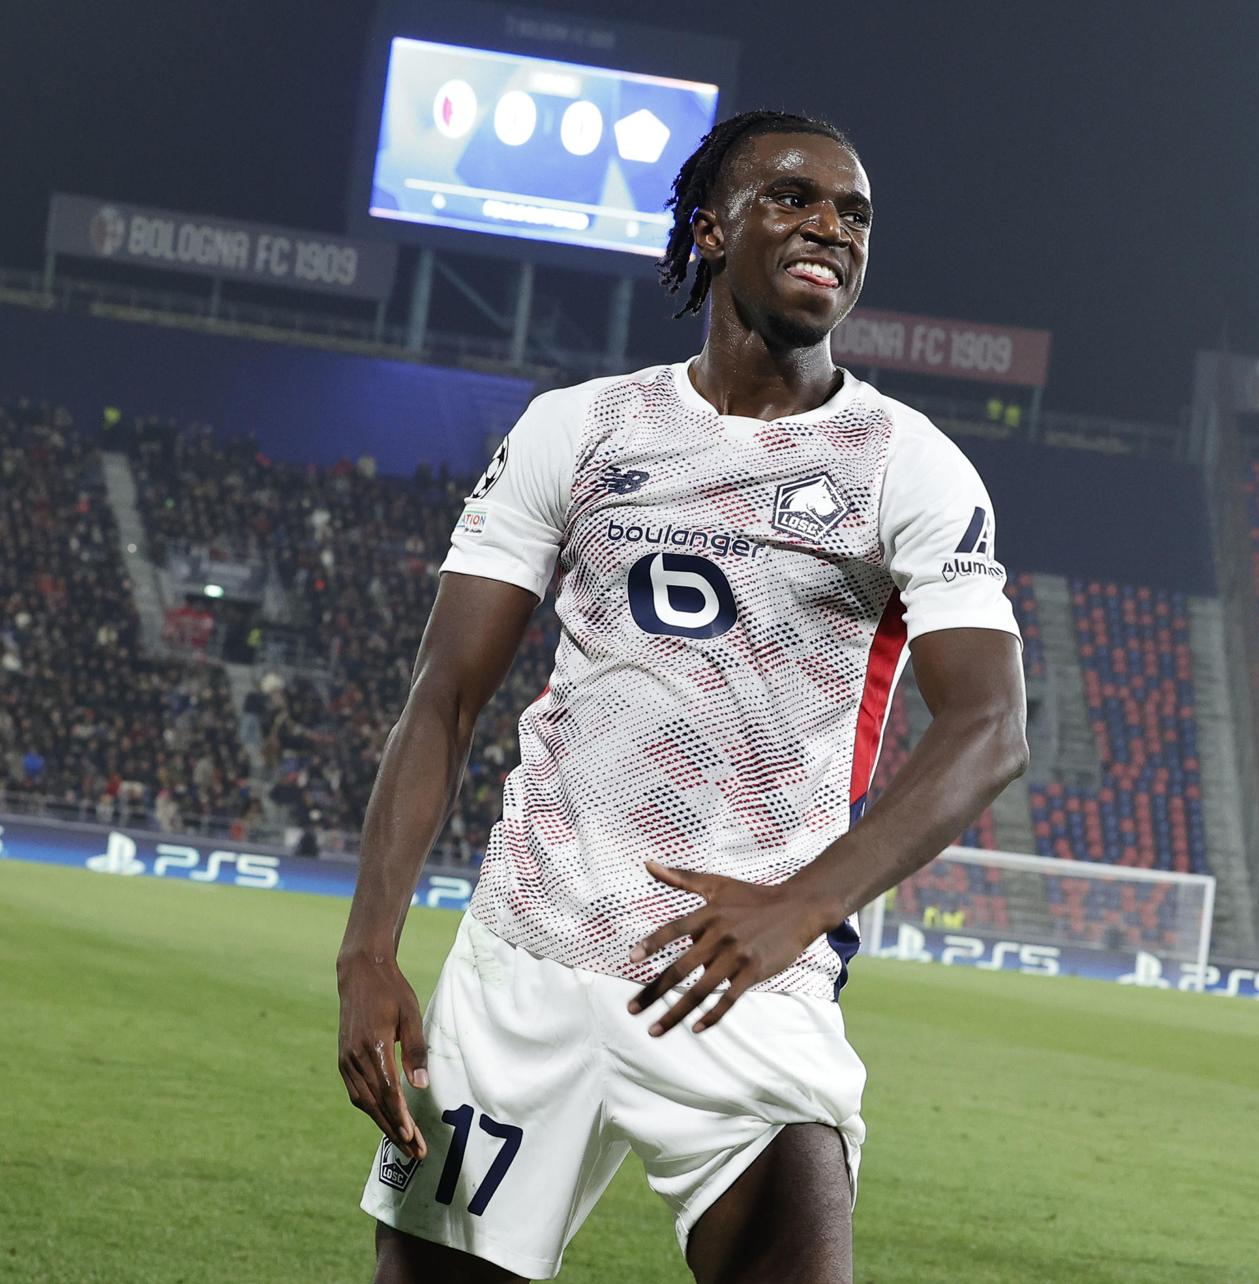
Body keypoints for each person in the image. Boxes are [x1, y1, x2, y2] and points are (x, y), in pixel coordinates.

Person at [336, 110, 1027, 1283]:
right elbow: (444, 697)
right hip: (529, 960)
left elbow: (991, 727)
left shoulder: (905, 461)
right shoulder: (580, 427)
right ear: (709, 228)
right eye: (794, 199)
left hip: (743, 974)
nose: (832, 228)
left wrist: (795, 908)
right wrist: (367, 952)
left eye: (854, 213)